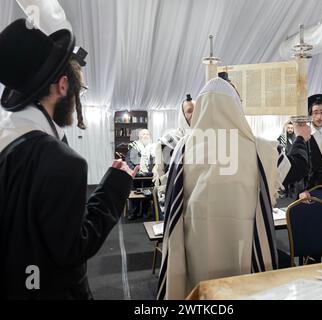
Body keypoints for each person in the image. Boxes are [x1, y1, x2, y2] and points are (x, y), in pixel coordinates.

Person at [0, 19, 139, 299]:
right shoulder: (63, 161)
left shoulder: (7, 140)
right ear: (63, 86)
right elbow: (73, 247)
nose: (78, 101)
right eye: (80, 91)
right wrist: (116, 187)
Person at [157, 77, 310, 300]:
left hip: (197, 247)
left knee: (203, 295)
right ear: (237, 107)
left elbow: (172, 206)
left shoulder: (184, 147)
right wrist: (299, 138)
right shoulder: (259, 148)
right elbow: (296, 167)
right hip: (245, 247)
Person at [152, 94, 195, 215]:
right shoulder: (167, 141)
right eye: (190, 111)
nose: (195, 114)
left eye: (198, 110)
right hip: (173, 197)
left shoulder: (207, 139)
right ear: (182, 115)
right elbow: (160, 174)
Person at [125, 129, 155, 220]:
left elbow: (157, 161)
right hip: (137, 174)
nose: (145, 136)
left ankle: (146, 212)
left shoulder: (153, 147)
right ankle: (134, 212)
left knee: (148, 191)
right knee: (135, 191)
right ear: (139, 136)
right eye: (143, 134)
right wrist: (135, 171)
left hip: (149, 174)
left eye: (147, 134)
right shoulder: (134, 146)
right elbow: (129, 161)